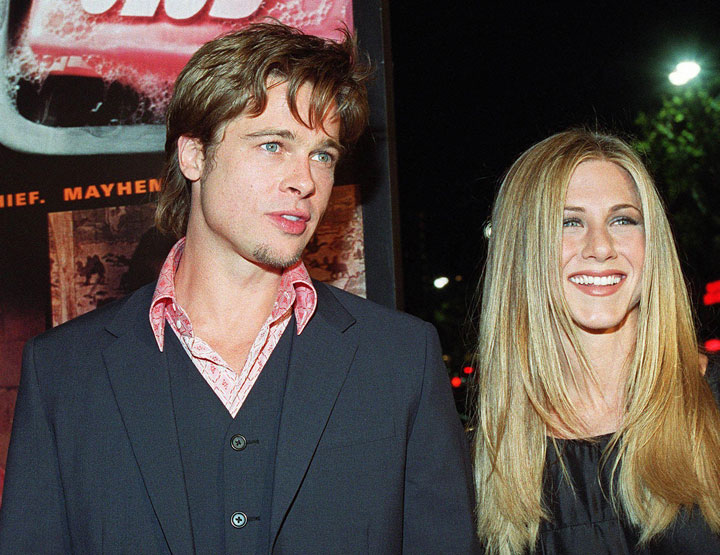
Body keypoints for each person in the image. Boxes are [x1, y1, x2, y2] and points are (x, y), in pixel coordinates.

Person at [0, 23, 477, 553]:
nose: (305, 180)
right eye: (273, 145)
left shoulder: (400, 358)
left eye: (323, 155)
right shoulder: (63, 372)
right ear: (194, 156)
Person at [472, 129, 720, 554]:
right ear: (522, 248)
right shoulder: (480, 459)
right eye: (569, 222)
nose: (601, 247)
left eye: (623, 220)